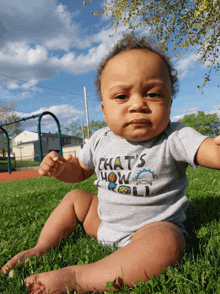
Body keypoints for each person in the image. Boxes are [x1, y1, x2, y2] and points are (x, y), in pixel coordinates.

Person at [1, 33, 220, 294]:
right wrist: (62, 169)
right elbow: (81, 170)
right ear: (104, 110)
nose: (138, 104)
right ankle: (41, 247)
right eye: (121, 97)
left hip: (149, 231)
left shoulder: (175, 136)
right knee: (76, 198)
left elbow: (209, 151)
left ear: (169, 102)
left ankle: (78, 277)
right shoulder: (99, 140)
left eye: (153, 93)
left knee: (168, 241)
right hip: (103, 223)